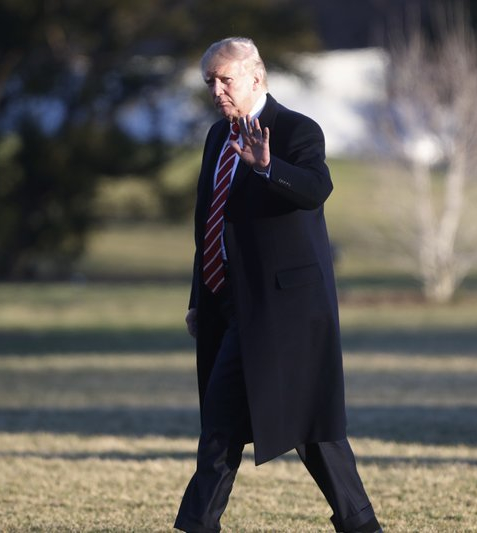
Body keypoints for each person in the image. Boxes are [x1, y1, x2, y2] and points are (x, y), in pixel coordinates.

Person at [174, 37, 382, 533]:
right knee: (222, 428)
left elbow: (314, 189)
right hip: (230, 307)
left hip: (285, 311)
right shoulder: (215, 137)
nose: (217, 90)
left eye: (226, 79)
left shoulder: (295, 130)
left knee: (313, 433)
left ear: (256, 75)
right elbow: (209, 226)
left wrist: (267, 168)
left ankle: (361, 525)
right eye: (210, 82)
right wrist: (199, 299)